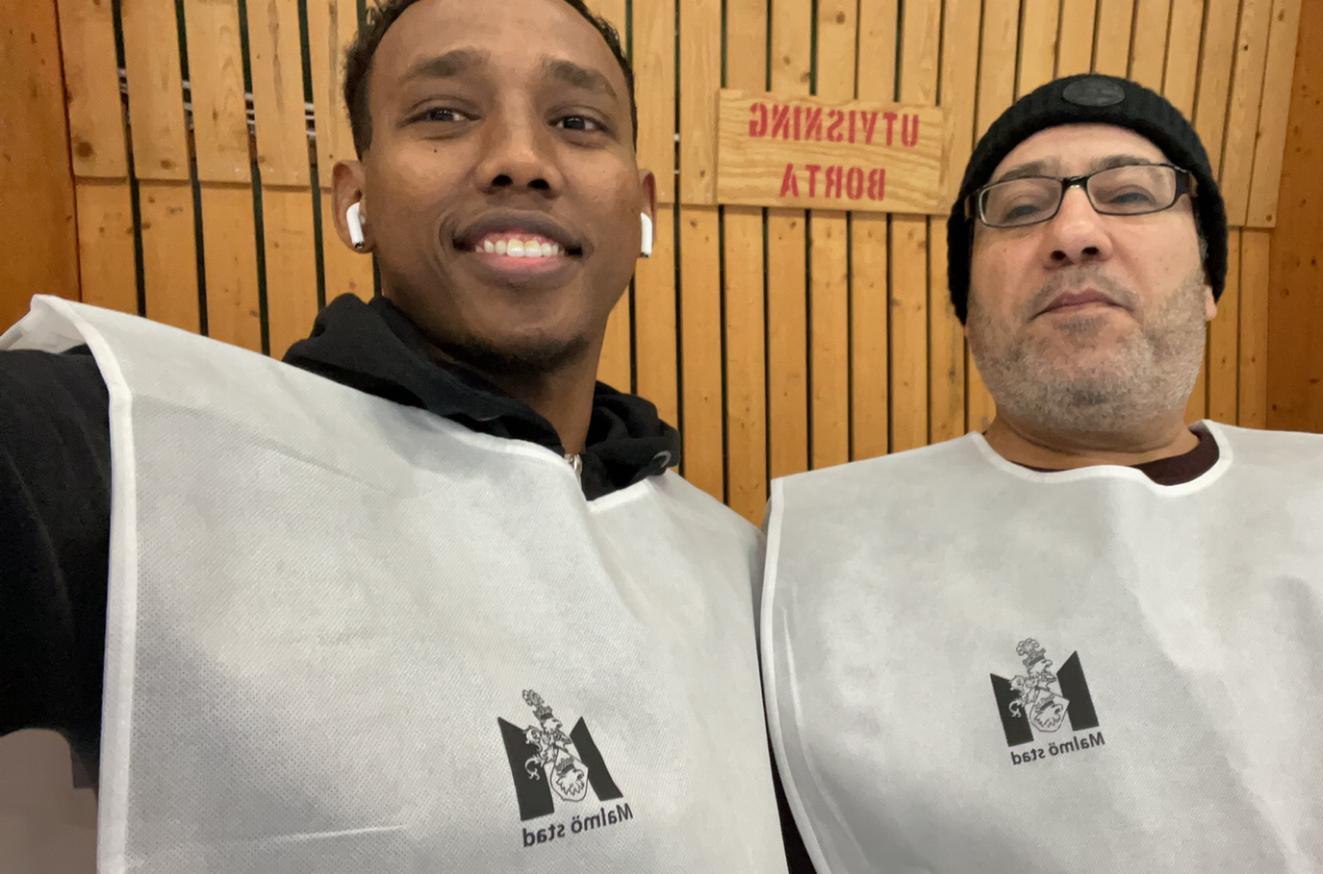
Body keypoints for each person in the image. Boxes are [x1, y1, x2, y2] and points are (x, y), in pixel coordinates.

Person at [0, 1, 790, 870]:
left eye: (577, 122)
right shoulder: (141, 452)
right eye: (444, 113)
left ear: (640, 210)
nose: (521, 159)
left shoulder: (744, 568)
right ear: (357, 197)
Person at [760, 74, 1323, 873]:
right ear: (969, 311)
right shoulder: (820, 578)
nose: (1074, 232)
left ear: (1206, 282)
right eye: (1019, 208)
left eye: (1130, 195)